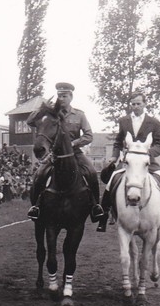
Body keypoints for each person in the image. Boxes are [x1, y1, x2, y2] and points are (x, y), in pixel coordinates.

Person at [96, 92, 160, 233]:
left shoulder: (154, 122)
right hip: (128, 161)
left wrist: (149, 153)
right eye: (133, 104)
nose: (135, 107)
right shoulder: (124, 121)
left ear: (144, 104)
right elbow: (118, 142)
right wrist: (114, 157)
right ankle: (103, 218)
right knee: (111, 182)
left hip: (147, 161)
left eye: (138, 104)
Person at [26, 82, 104, 222]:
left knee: (91, 172)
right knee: (39, 175)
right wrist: (41, 108)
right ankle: (35, 207)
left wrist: (73, 143)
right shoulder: (51, 114)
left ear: (71, 97)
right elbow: (30, 121)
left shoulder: (79, 115)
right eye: (59, 96)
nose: (61, 98)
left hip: (75, 153)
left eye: (64, 96)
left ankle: (95, 206)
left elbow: (88, 135)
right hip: (55, 155)